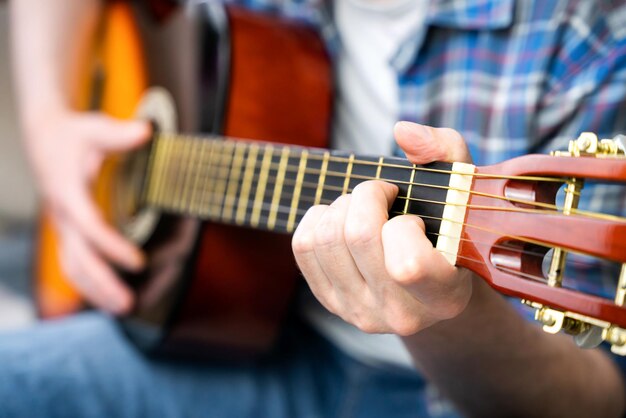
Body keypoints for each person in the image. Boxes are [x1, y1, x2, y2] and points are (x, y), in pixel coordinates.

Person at [3, 0, 626, 416]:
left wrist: (444, 313)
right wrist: (49, 125)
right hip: (239, 333)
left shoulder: (592, 39)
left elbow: (595, 398)